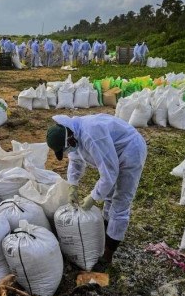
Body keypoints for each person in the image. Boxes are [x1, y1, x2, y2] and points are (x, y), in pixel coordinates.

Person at [46, 114, 147, 271]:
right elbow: (75, 160)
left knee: (120, 202)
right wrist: (72, 186)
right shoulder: (72, 135)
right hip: (114, 152)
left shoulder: (91, 135)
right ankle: (108, 234)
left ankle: (108, 255)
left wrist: (93, 197)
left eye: (66, 148)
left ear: (70, 139)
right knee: (108, 197)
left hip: (130, 150)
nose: (68, 151)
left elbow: (109, 173)